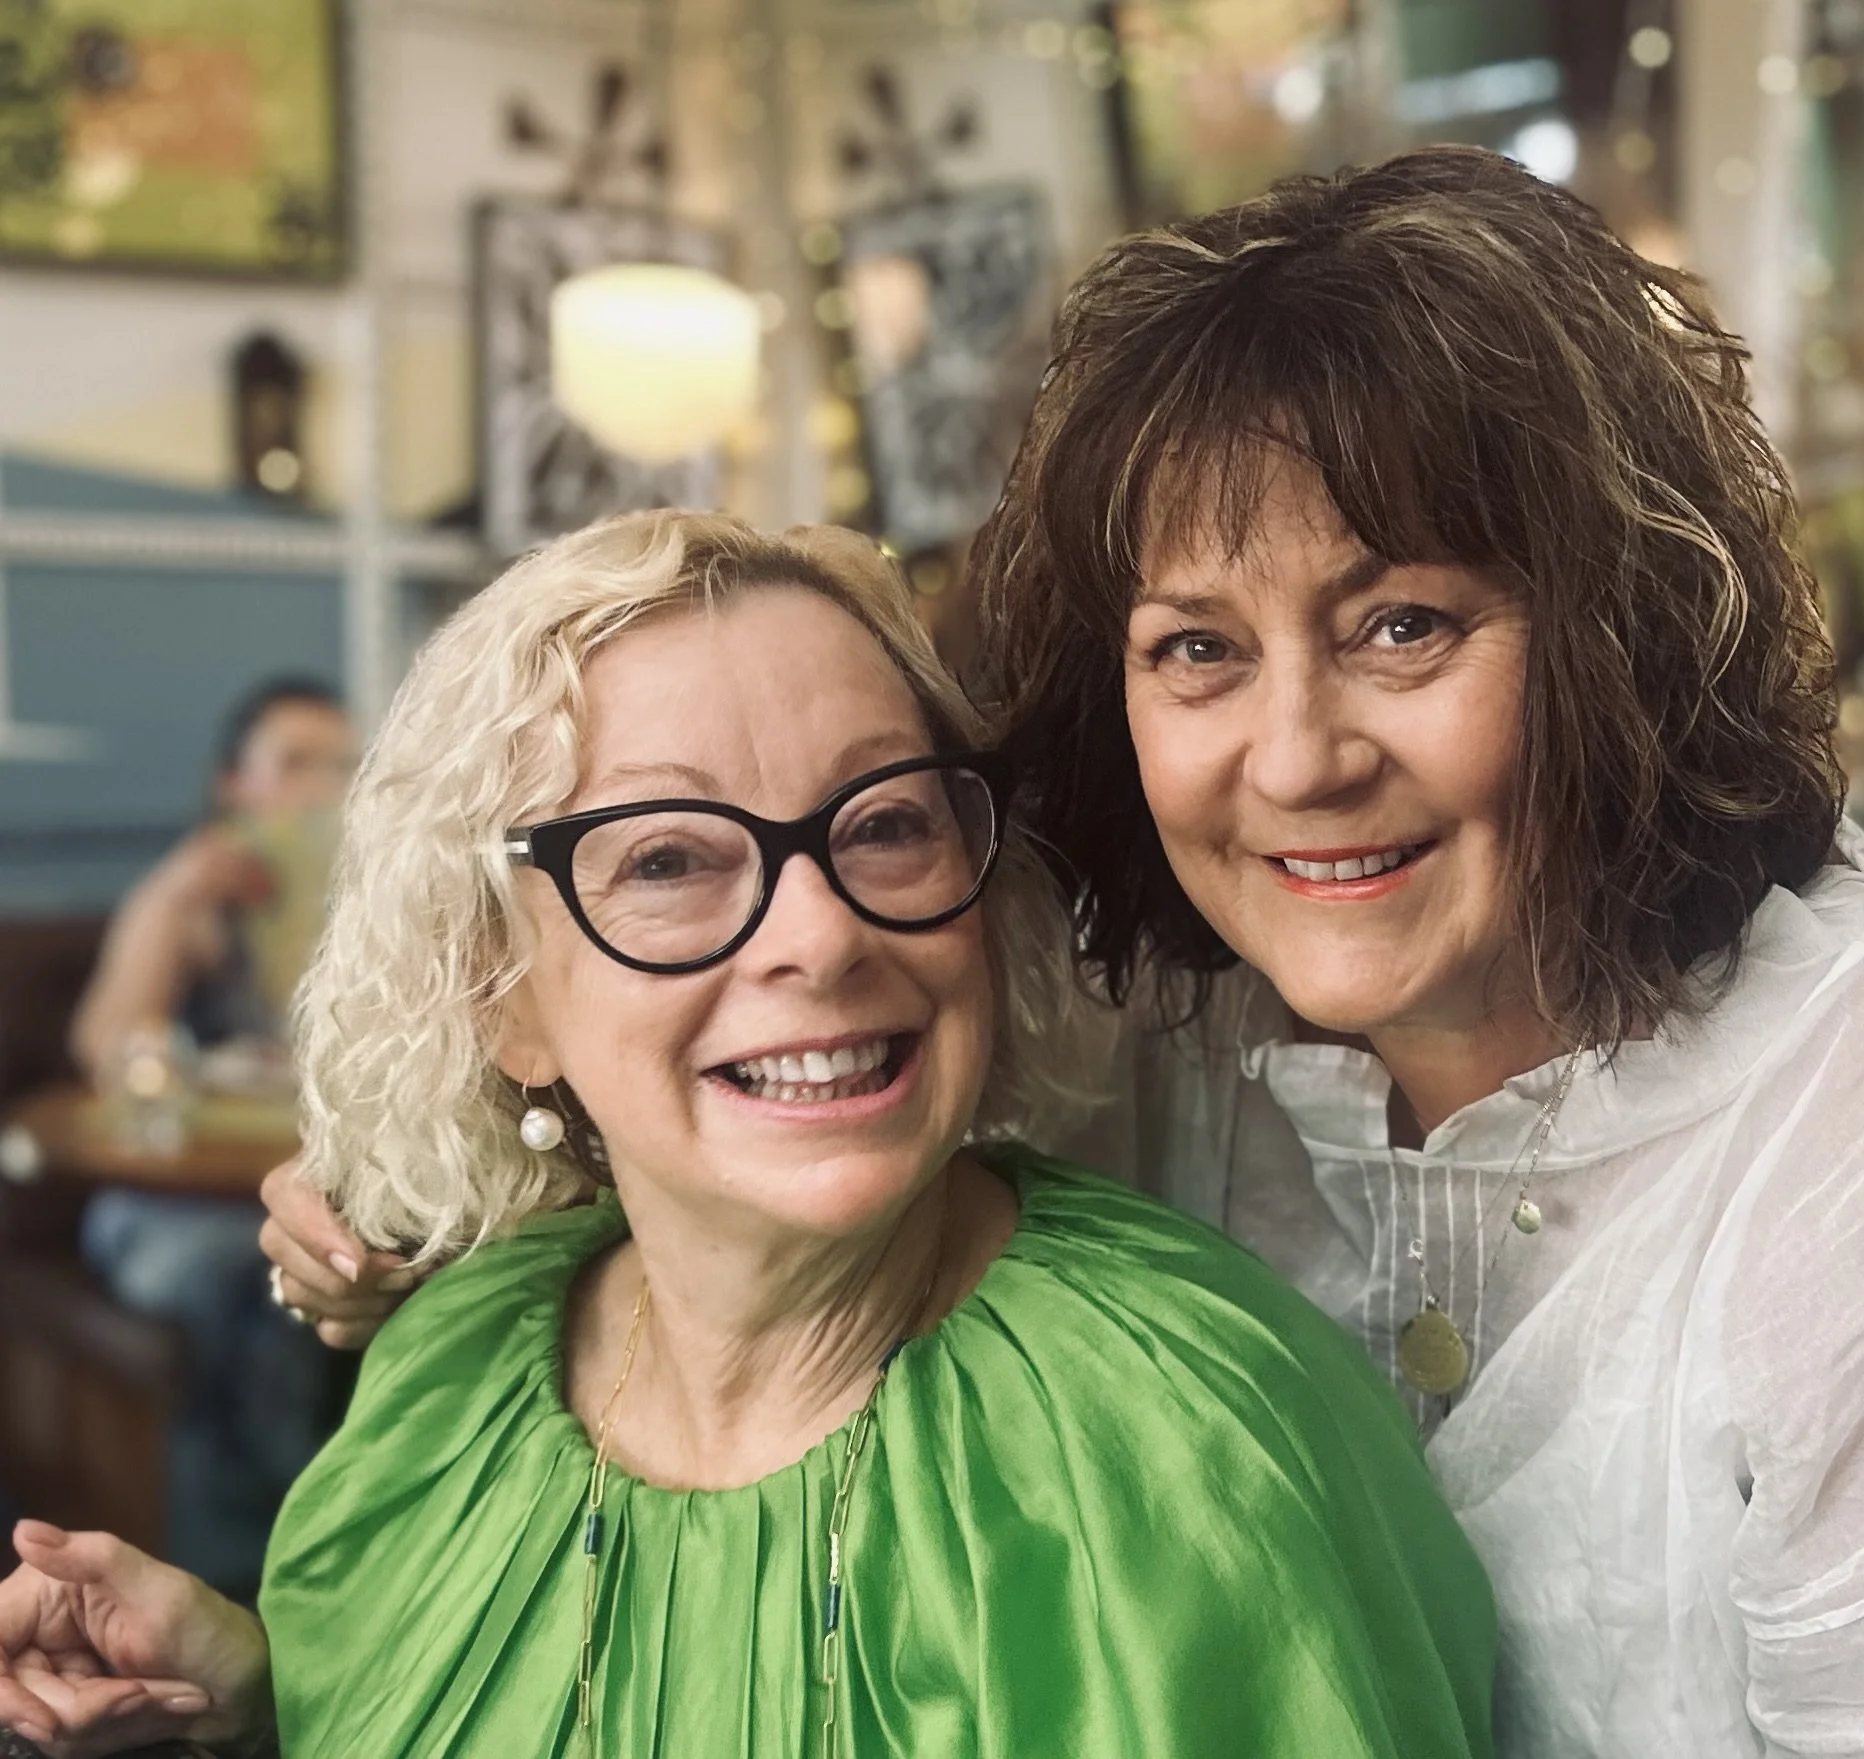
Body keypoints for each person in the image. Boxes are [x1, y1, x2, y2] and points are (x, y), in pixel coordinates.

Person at [260, 148, 1864, 1754]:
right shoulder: (1174, 1010)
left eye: (1403, 623)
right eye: (1193, 652)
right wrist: (424, 1231)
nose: (1295, 759)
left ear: (1613, 631)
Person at [0, 513, 1495, 1758]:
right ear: (500, 992)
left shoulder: (1185, 1444)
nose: (820, 931)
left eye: (885, 822)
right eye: (665, 856)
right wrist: (245, 1698)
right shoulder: (449, 1382)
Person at [71, 679, 354, 1598]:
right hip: (171, 1201)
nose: (322, 787)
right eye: (295, 763)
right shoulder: (196, 906)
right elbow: (106, 1049)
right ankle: (242, 1582)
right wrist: (179, 886)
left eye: (343, 766)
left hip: (305, 1182)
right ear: (235, 784)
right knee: (249, 1281)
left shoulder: (355, 915)